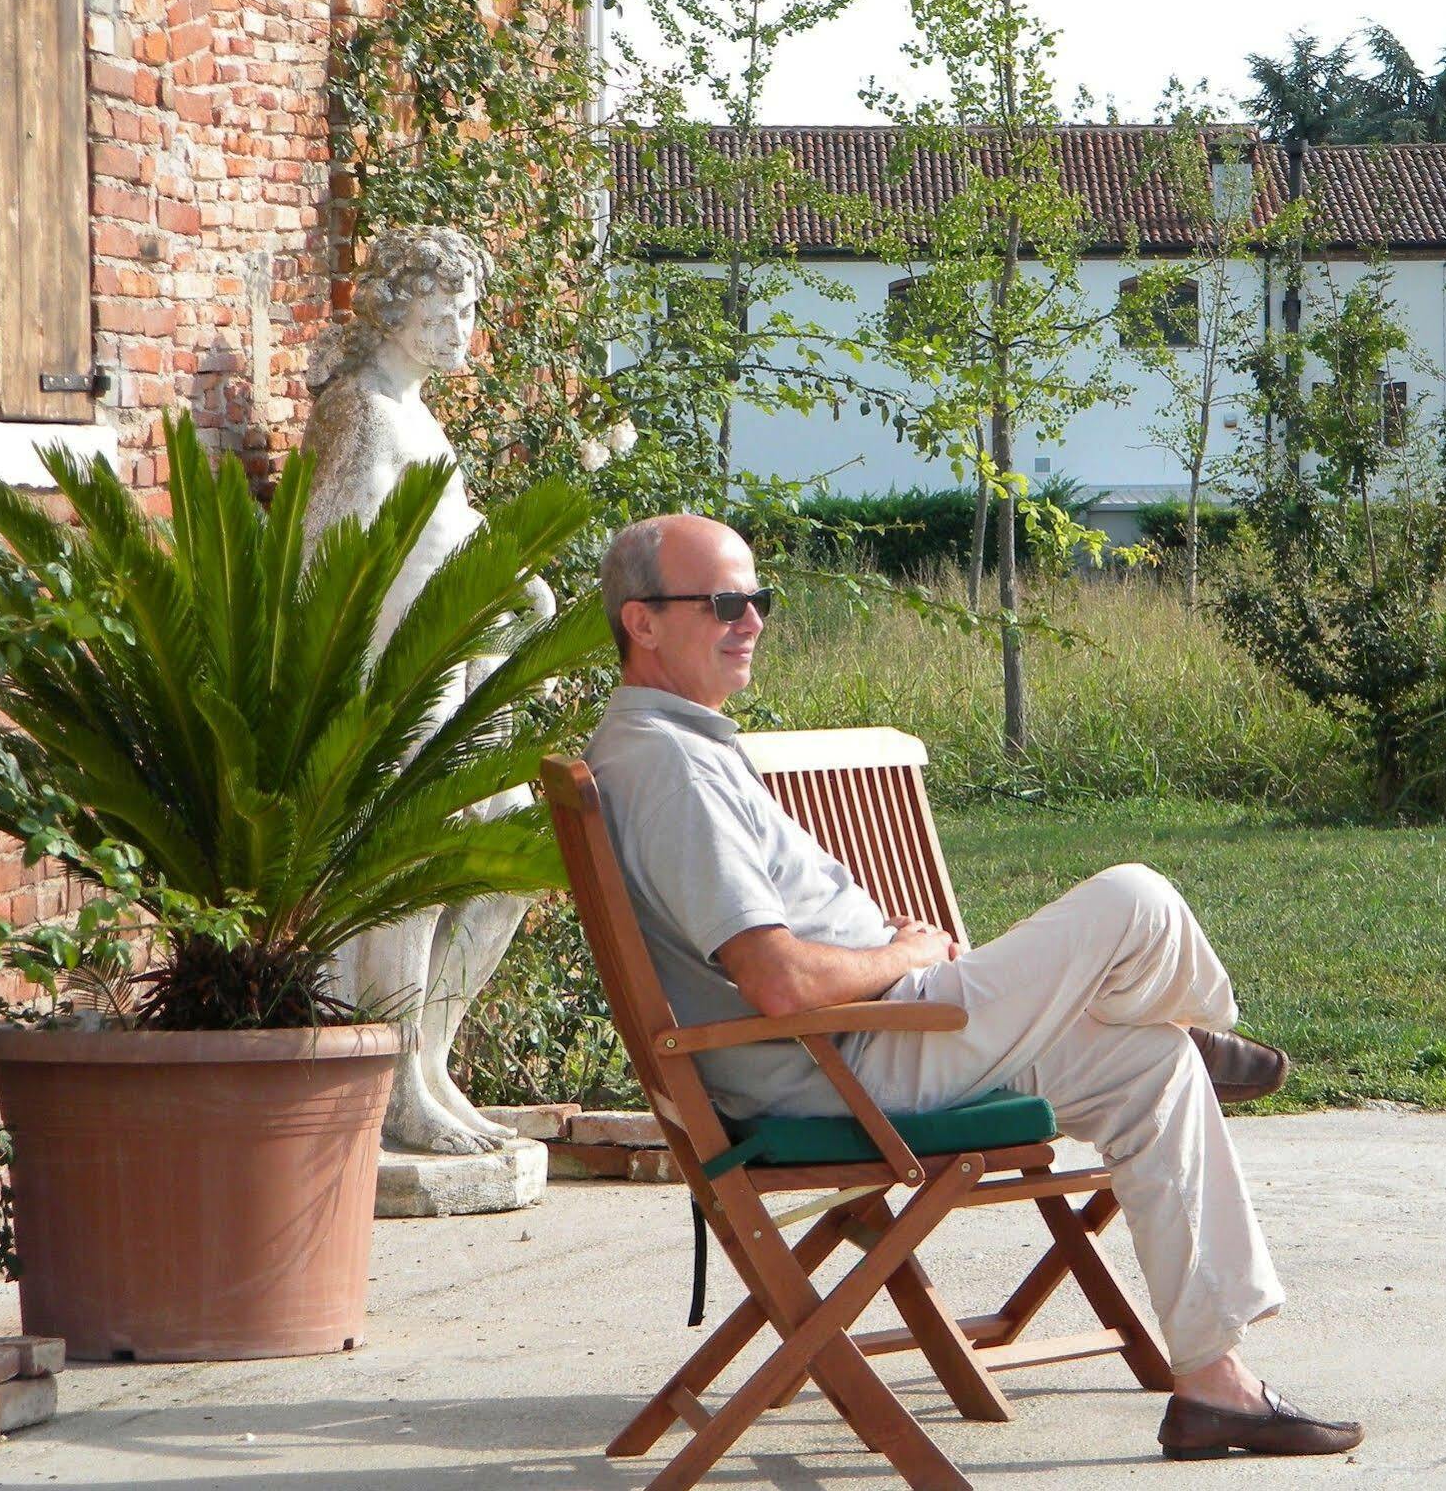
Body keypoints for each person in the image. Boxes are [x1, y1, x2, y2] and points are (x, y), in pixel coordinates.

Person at [584, 514, 1365, 1460]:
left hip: (867, 1043)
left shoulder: (675, 744)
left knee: (1145, 1066)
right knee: (1135, 900)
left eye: (759, 599)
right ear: (644, 622)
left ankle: (1213, 1384)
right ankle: (1196, 1019)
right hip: (848, 1061)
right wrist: (902, 953)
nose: (750, 620)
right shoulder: (670, 767)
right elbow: (780, 981)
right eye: (723, 602)